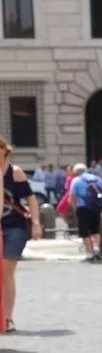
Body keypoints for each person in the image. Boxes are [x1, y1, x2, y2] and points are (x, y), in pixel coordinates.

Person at [1, 138, 44, 333]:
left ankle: (8, 317)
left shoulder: (14, 172)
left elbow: (31, 200)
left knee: (6, 270)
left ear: (5, 150)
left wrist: (35, 224)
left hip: (14, 227)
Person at [68, 163, 102, 262]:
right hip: (96, 208)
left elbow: (72, 198)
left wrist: (75, 208)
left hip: (83, 208)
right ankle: (97, 249)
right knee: (95, 230)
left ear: (75, 172)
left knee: (84, 232)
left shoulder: (76, 180)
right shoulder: (97, 178)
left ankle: (89, 254)